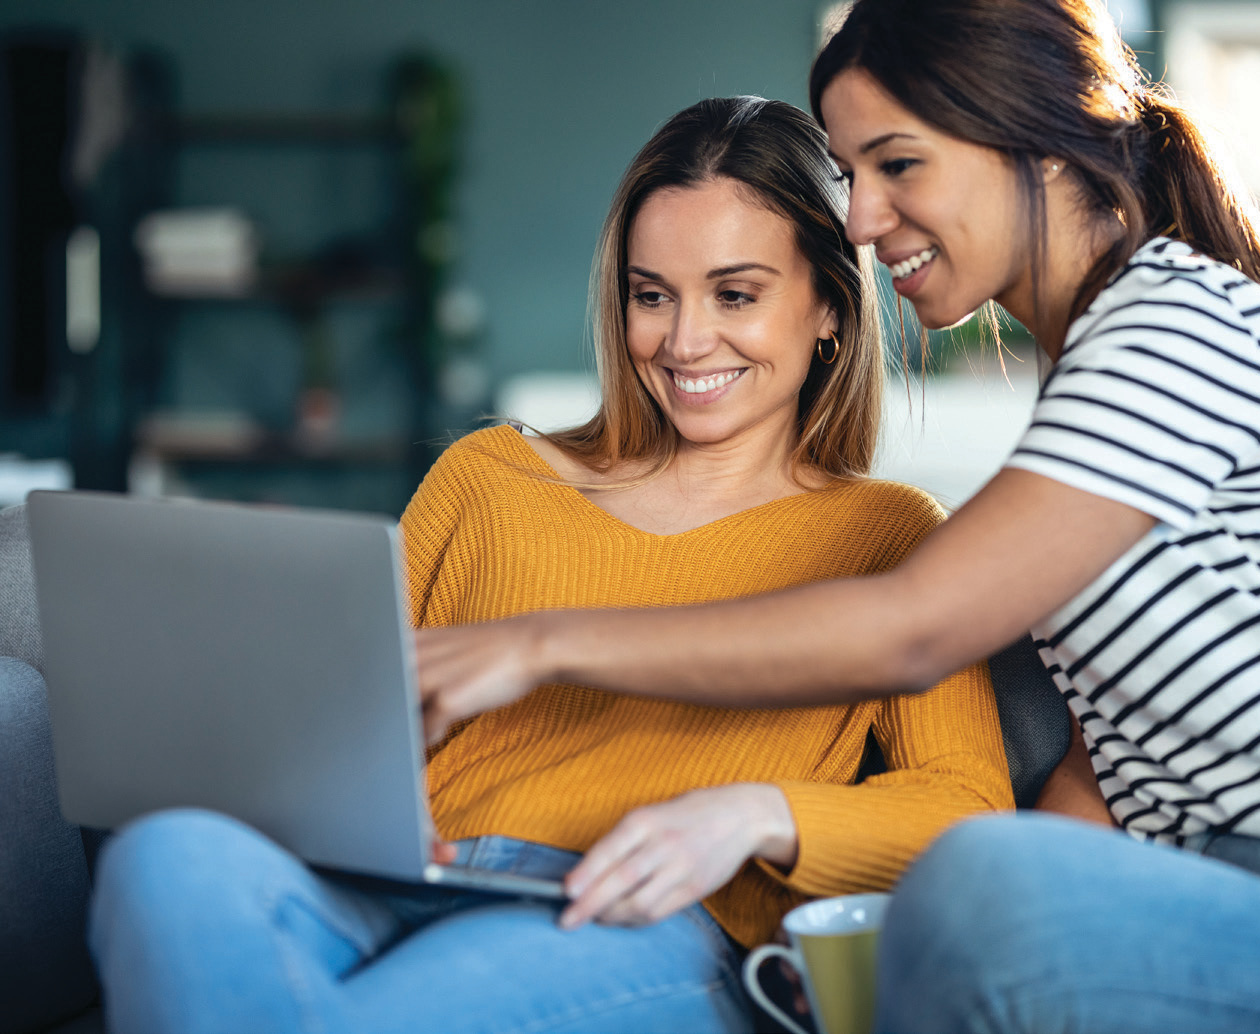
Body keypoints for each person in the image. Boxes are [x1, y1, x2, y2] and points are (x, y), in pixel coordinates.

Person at [414, 2, 1260, 1031]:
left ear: (1036, 144)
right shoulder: (1099, 364)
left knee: (977, 878)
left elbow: (912, 627)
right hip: (1210, 889)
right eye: (852, 174)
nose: (860, 219)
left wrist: (542, 644)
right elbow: (1105, 769)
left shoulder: (1174, 324)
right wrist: (896, 935)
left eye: (897, 165)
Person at [86, 95, 1014, 1034]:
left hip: (629, 913)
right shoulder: (489, 476)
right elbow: (352, 713)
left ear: (830, 310)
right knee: (164, 858)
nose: (684, 341)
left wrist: (757, 814)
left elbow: (966, 811)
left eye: (735, 295)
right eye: (652, 295)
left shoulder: (890, 537)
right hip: (403, 878)